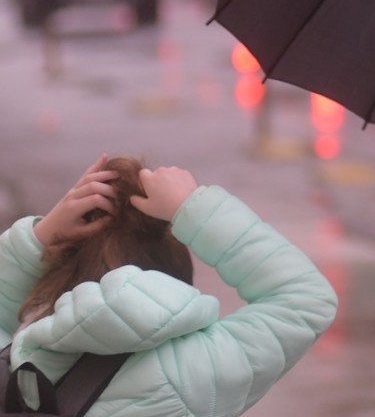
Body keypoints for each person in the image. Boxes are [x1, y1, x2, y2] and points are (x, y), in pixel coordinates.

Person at [0, 155, 338, 417]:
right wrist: (193, 208)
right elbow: (306, 300)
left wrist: (40, 238)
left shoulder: (23, 358)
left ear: (58, 273)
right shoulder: (190, 373)